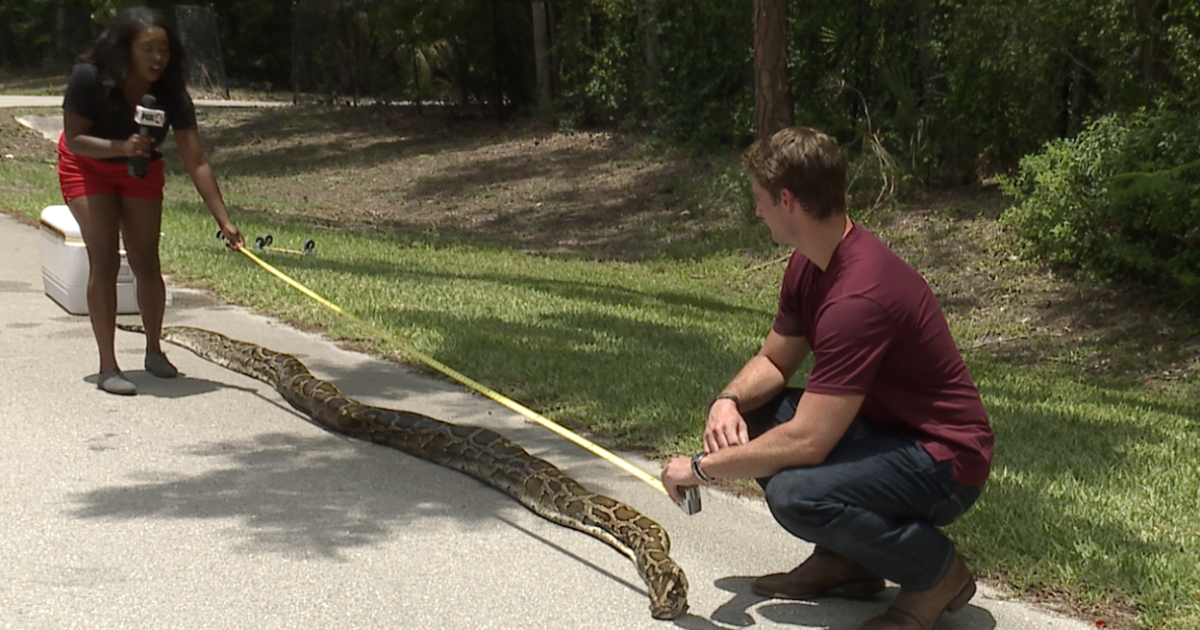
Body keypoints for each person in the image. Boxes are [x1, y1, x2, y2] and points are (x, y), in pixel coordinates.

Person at [660, 127, 994, 630]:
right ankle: (849, 563)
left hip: (943, 460)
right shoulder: (809, 263)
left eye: (759, 200)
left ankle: (935, 573)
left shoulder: (859, 294)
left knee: (797, 494)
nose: (756, 212)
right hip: (884, 433)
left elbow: (810, 441)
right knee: (751, 416)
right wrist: (727, 400)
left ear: (787, 201)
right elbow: (775, 362)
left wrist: (701, 467)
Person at [58, 6, 244, 396]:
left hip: (141, 167)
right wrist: (121, 146)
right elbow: (75, 140)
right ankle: (108, 365)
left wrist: (224, 220)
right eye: (147, 49)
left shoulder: (171, 93)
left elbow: (195, 159)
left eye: (164, 50)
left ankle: (154, 350)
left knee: (146, 260)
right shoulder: (88, 78)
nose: (158, 58)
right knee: (105, 258)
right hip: (87, 165)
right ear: (125, 49)